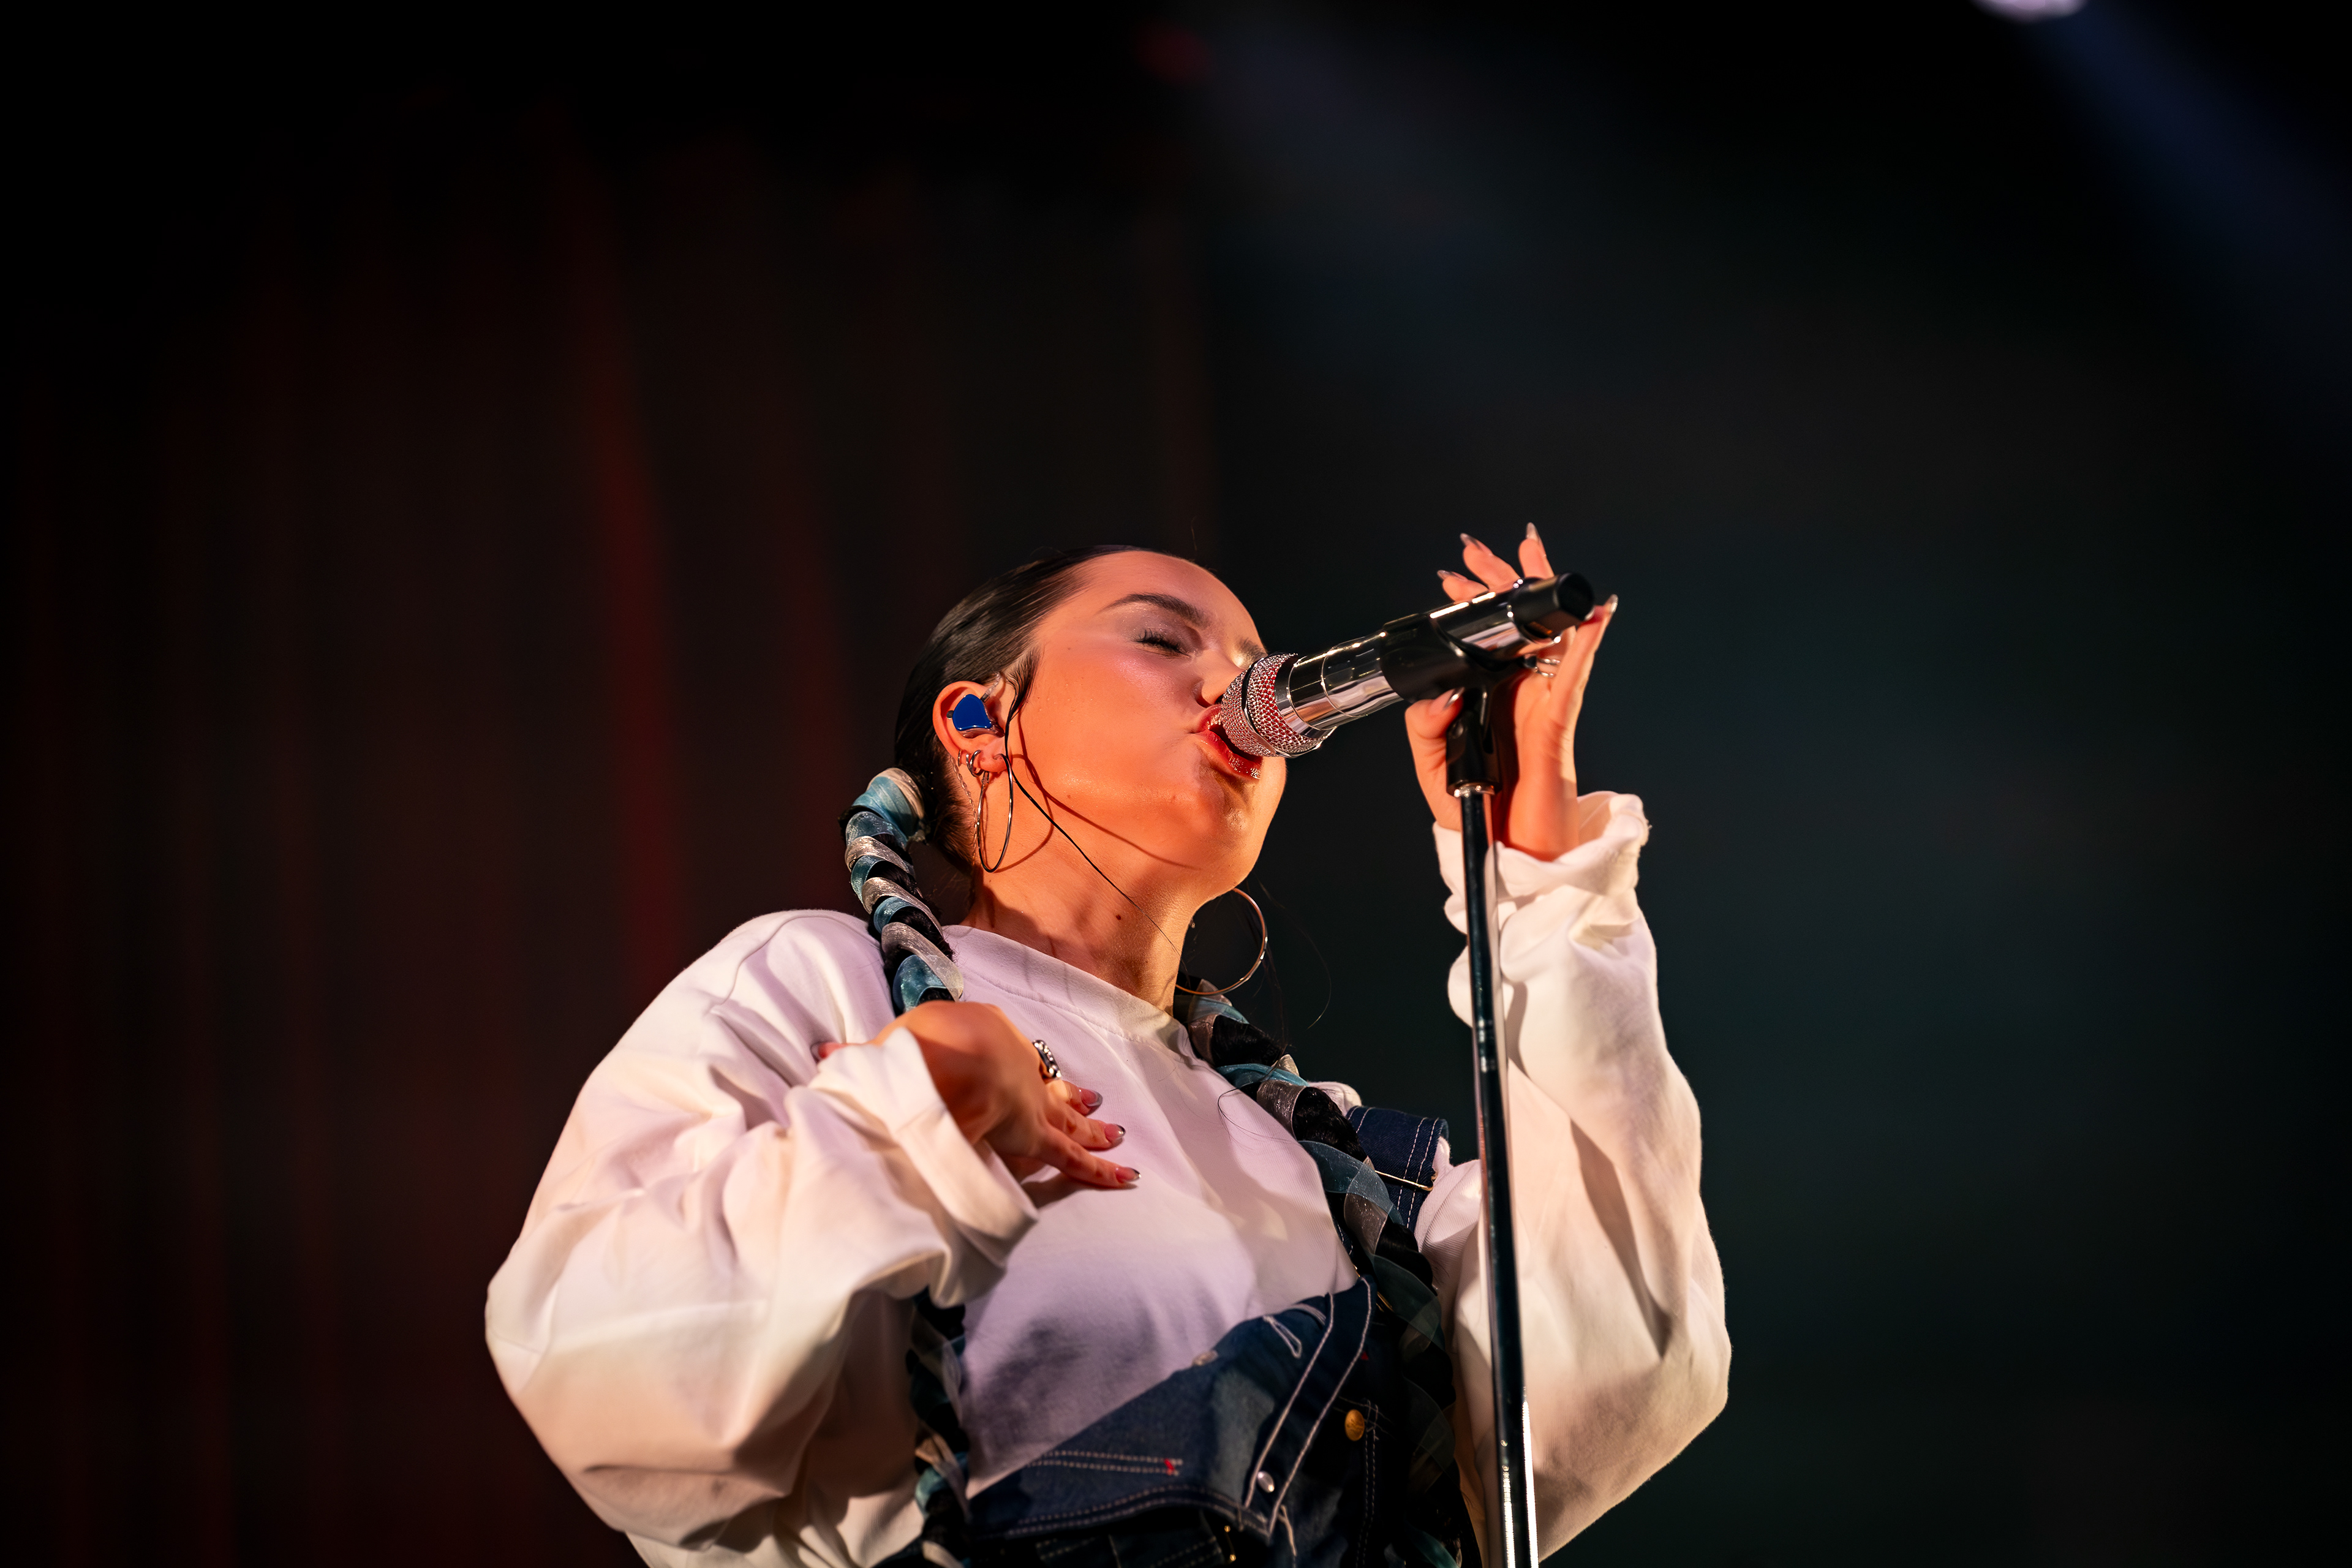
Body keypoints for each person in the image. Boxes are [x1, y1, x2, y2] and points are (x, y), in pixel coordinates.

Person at [485, 534, 1729, 1568]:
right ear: (979, 718)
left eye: (1250, 658)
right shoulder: (822, 982)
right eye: (1164, 639)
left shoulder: (1318, 1153)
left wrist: (1542, 882)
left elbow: (1625, 1370)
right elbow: (607, 1372)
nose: (1241, 682)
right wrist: (916, 1107)